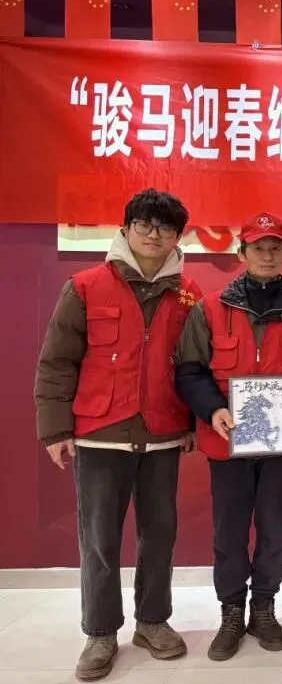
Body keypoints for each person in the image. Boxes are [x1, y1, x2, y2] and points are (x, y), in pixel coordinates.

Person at [34, 189, 200, 682]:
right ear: (126, 228)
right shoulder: (85, 286)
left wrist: (192, 423)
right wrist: (56, 429)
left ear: (177, 237)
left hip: (163, 433)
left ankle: (153, 622)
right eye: (144, 224)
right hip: (100, 434)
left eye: (165, 228)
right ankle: (101, 632)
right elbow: (57, 361)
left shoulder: (188, 293)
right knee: (100, 539)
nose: (154, 235)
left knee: (160, 534)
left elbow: (194, 366)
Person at [174, 212, 282, 661]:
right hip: (226, 443)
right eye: (258, 247)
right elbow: (188, 371)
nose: (267, 255)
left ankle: (264, 607)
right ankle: (231, 611)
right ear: (241, 253)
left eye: (275, 248)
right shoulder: (209, 310)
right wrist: (214, 408)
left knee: (273, 527)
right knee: (228, 530)